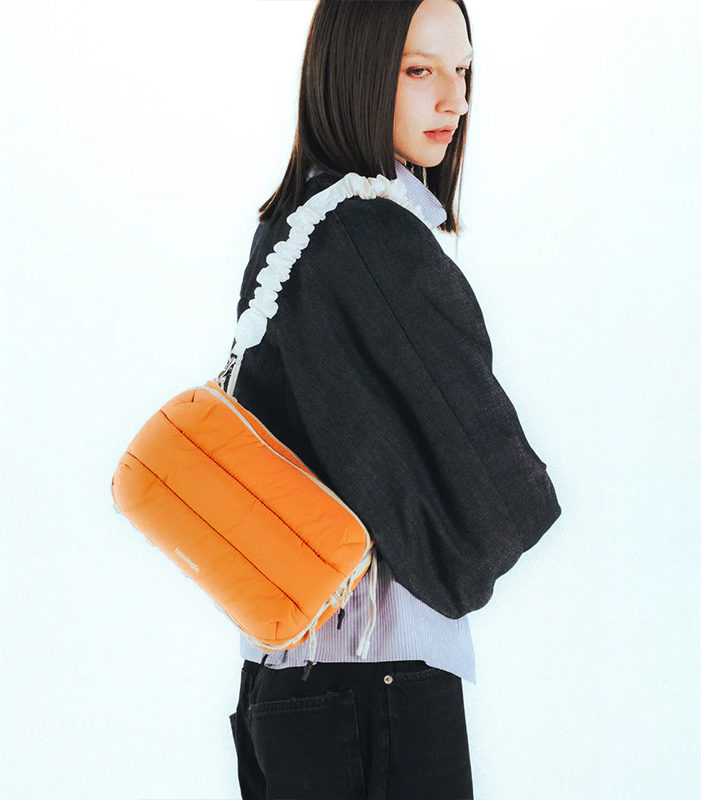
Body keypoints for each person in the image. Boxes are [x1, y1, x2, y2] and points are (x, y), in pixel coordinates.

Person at [227, 1, 562, 798]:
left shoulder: (298, 225)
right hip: (371, 688)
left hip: (287, 686)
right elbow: (491, 497)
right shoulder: (366, 234)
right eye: (419, 70)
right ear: (356, 71)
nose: (456, 99)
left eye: (463, 70)